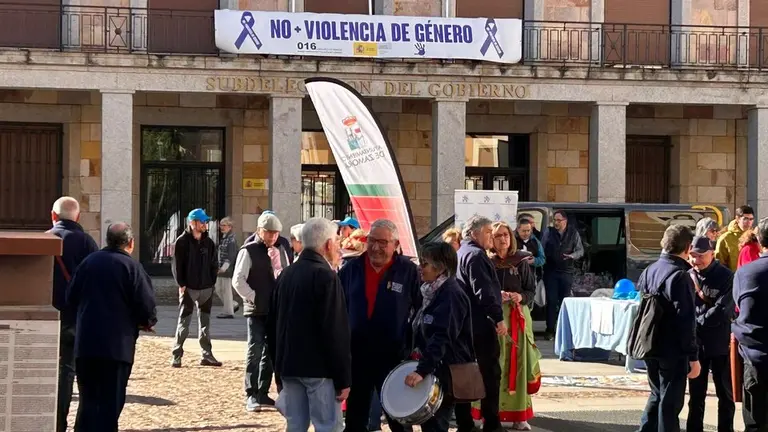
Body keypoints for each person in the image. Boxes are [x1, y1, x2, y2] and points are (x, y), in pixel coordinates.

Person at [65, 223, 157, 432]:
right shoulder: (132, 267)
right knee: (110, 404)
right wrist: (147, 322)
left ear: (107, 240)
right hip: (117, 347)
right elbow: (145, 304)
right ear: (130, 243)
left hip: (87, 344)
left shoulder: (89, 262)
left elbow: (71, 297)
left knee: (88, 401)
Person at [266, 217, 351, 432]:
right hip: (319, 369)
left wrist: (278, 368)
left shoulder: (287, 274)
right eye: (336, 242)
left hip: (290, 365)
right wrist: (343, 378)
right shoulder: (326, 276)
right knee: (327, 426)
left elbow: (272, 325)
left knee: (295, 425)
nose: (338, 247)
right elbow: (335, 331)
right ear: (328, 244)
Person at [338, 219, 420, 432]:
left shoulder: (408, 271)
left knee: (398, 418)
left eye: (383, 242)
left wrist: (412, 343)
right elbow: (338, 310)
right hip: (357, 355)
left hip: (393, 356)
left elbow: (421, 309)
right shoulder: (350, 269)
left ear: (396, 244)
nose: (375, 247)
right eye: (372, 241)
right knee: (355, 418)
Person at [636, 224, 700, 432]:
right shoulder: (680, 275)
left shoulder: (649, 270)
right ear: (688, 247)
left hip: (649, 342)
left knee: (657, 395)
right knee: (670, 403)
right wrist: (693, 356)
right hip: (672, 348)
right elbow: (686, 319)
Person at [405, 241, 474, 432]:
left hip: (446, 372)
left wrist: (422, 370)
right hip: (434, 369)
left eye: (425, 263)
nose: (420, 267)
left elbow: (442, 336)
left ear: (441, 267)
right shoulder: (431, 291)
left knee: (435, 425)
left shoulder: (451, 294)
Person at [48, 196, 99, 432]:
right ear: (78, 217)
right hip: (78, 315)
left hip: (50, 316)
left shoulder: (45, 240)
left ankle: (54, 422)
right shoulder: (87, 243)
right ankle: (73, 423)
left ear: (53, 216)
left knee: (51, 369)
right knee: (74, 371)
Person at [233, 212, 292, 412]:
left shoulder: (281, 248)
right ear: (260, 231)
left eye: (275, 233)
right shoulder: (248, 250)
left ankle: (263, 391)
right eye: (269, 233)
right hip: (256, 309)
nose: (273, 237)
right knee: (255, 350)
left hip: (275, 308)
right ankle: (251, 393)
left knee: (271, 352)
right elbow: (238, 280)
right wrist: (254, 297)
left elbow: (286, 273)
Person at [487, 222, 541, 431]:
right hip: (494, 317)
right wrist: (496, 295)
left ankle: (520, 416)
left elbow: (530, 291)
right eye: (498, 236)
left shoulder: (521, 261)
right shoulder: (486, 261)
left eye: (506, 235)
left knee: (519, 364)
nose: (503, 239)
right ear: (491, 239)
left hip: (517, 317)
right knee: (494, 363)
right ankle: (491, 414)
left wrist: (519, 296)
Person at [455, 215, 506, 432]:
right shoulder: (475, 255)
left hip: (464, 325)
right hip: (479, 325)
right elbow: (482, 291)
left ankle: (465, 422)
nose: (491, 237)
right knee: (489, 375)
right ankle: (491, 424)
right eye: (488, 232)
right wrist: (498, 317)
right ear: (474, 233)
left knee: (465, 374)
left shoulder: (461, 252)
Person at [686, 236, 735, 432]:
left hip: (719, 342)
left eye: (701, 256)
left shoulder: (726, 276)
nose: (696, 260)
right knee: (696, 394)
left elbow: (723, 309)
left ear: (712, 254)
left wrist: (698, 321)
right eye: (692, 256)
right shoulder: (687, 275)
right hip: (696, 344)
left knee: (725, 393)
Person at [171, 208, 222, 368]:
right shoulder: (181, 242)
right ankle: (177, 355)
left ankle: (207, 355)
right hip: (189, 288)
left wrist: (212, 282)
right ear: (193, 223)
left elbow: (214, 263)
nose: (205, 224)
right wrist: (182, 284)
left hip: (206, 288)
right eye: (202, 221)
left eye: (206, 221)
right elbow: (177, 266)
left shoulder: (209, 242)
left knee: (205, 324)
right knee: (184, 323)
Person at [732, 217, 768, 432]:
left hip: (755, 355)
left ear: (760, 242)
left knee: (756, 423)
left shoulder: (746, 272)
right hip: (755, 353)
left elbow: (738, 306)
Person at [541, 210, 584, 340]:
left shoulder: (573, 233)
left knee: (565, 301)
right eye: (555, 220)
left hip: (567, 271)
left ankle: (563, 330)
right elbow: (541, 248)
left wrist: (572, 256)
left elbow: (580, 250)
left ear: (565, 221)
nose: (556, 223)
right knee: (551, 301)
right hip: (551, 272)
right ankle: (550, 330)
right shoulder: (548, 232)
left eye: (559, 220)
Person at [716, 205, 755, 272]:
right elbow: (719, 262)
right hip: (732, 275)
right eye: (745, 219)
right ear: (737, 219)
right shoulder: (726, 238)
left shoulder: (755, 236)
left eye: (751, 219)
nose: (749, 222)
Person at [216, 216, 240, 319]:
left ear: (230, 227)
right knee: (219, 289)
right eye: (221, 225)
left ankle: (228, 311)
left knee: (226, 290)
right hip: (221, 267)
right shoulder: (225, 238)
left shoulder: (231, 240)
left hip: (227, 269)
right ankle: (233, 304)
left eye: (224, 225)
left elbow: (231, 256)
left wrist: (223, 268)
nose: (221, 227)